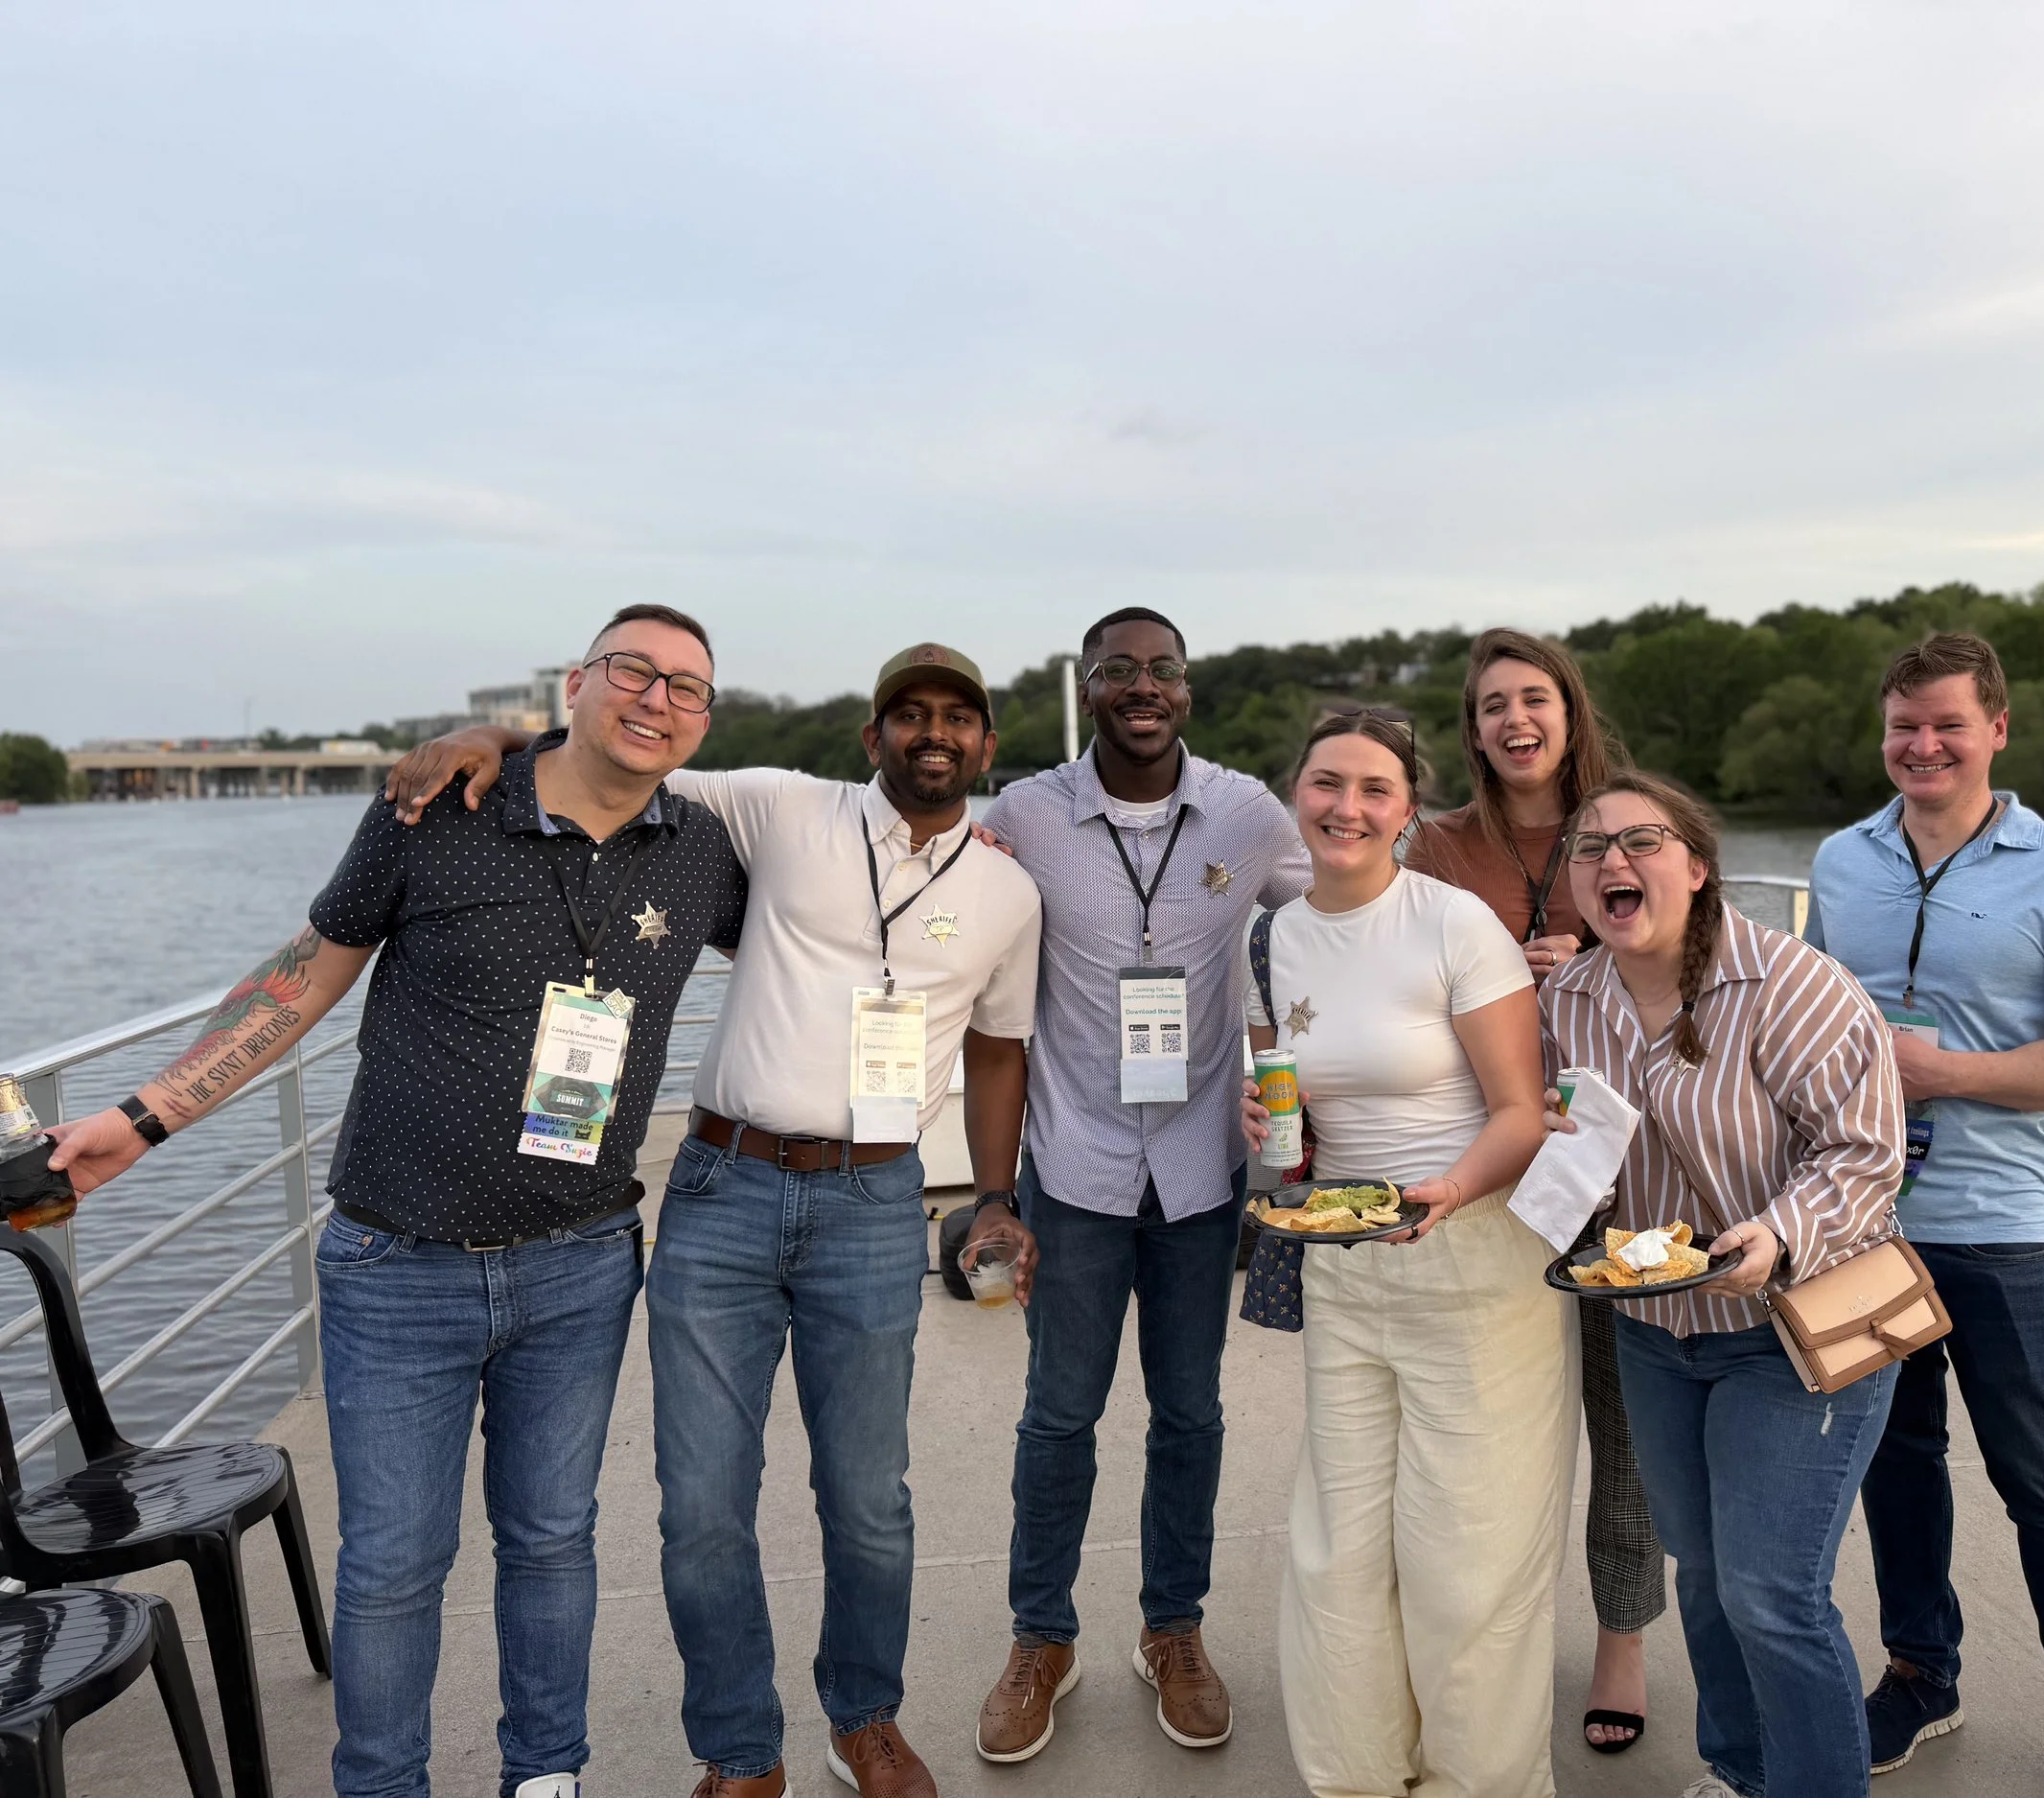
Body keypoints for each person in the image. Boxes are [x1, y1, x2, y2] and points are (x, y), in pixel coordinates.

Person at [44, 605, 750, 1798]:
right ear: (577, 683)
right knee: (390, 1565)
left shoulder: (704, 851)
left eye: (689, 687)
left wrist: (970, 851)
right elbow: (304, 977)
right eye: (634, 670)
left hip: (581, 1263)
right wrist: (147, 1117)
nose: (658, 700)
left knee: (552, 1542)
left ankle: (546, 1776)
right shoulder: (435, 813)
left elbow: (844, 909)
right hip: (396, 1266)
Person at [386, 643, 1045, 1798]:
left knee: (869, 1499)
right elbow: (620, 765)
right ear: (871, 736)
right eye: (907, 714)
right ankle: (742, 1751)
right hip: (723, 1191)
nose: (931, 733)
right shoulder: (781, 806)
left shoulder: (1007, 889)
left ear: (987, 745)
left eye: (957, 718)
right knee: (699, 1504)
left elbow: (998, 1053)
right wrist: (496, 742)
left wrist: (994, 1196)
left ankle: (866, 1718)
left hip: (873, 1202)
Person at [1802, 633, 2044, 1798]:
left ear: (1996, 732)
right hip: (1860, 1223)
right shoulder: (1841, 858)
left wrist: (1945, 1074)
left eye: (1947, 725)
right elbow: (1808, 1021)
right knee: (1895, 1467)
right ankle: (1920, 1674)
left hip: (2000, 1229)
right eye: (1904, 725)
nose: (1923, 746)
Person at [970, 607, 1310, 1765]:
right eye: (1118, 669)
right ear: (1088, 686)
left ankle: (1173, 1630)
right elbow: (930, 905)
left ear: (1188, 688)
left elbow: (1360, 892)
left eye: (1162, 668)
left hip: (1201, 1176)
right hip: (1073, 1169)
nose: (1142, 686)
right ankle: (1040, 1639)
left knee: (1191, 1417)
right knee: (1057, 1419)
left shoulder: (1251, 816)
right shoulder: (1022, 814)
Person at [1543, 769, 1904, 1798]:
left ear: (1695, 869)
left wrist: (1776, 1232)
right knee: (1701, 1581)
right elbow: (1520, 1125)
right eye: (1588, 847)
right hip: (1655, 1333)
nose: (1612, 860)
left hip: (1790, 1328)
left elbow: (1864, 1154)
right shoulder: (1566, 1000)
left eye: (1641, 840)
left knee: (1772, 1595)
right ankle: (1741, 1772)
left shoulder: (1792, 986)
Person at [1249, 709, 1567, 1798]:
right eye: (1326, 783)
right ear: (1297, 791)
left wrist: (1451, 1191)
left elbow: (1523, 1112)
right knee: (1335, 1553)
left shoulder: (1453, 924)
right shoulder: (1276, 933)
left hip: (1473, 1262)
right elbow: (1300, 1117)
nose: (1346, 807)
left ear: (1406, 810)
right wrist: (1270, 1138)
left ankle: (1482, 1783)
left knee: (1466, 1564)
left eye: (1374, 790)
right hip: (1344, 1260)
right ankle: (1356, 1777)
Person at [1402, 626, 1661, 1754]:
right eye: (1493, 705)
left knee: (1624, 1424)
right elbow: (1398, 980)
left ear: (1568, 712)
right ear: (1473, 730)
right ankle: (1477, 1639)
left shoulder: (1627, 824)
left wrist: (1596, 961)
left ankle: (1620, 1645)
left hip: (1614, 1173)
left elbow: (1682, 959)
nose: (1515, 720)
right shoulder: (1436, 845)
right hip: (1485, 1166)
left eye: (1534, 699)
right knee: (1482, 1430)